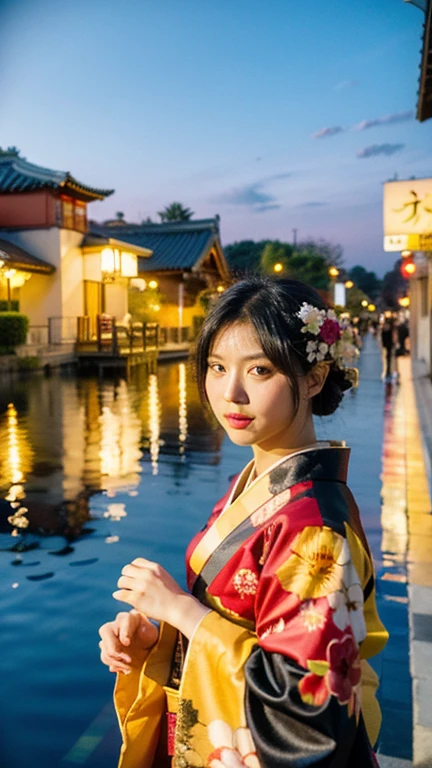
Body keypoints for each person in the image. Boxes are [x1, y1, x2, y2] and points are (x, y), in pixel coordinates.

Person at [99, 277, 388, 768]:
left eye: (259, 369)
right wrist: (161, 640)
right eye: (216, 367)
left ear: (314, 377)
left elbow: (307, 714)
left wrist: (183, 611)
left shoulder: (312, 529)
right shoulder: (258, 484)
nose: (230, 393)